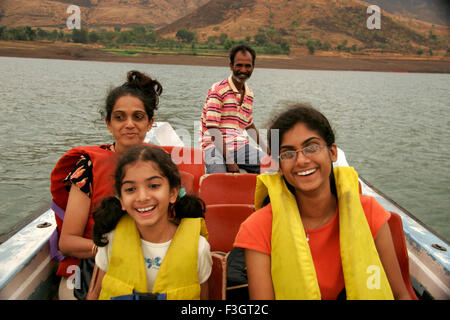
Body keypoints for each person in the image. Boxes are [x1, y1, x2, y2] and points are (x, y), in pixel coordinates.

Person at [233, 103, 412, 300]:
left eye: (311, 147)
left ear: (332, 152)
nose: (301, 160)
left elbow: (400, 295)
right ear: (279, 166)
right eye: (288, 153)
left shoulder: (369, 213)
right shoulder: (259, 228)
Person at [50, 70, 162, 300]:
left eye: (138, 117)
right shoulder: (87, 167)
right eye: (120, 117)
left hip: (150, 265)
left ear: (150, 123)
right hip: (94, 266)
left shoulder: (162, 166)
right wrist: (116, 251)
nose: (129, 124)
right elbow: (68, 242)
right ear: (108, 124)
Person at [86, 145, 212, 300]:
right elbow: (96, 293)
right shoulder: (110, 239)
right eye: (131, 189)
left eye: (153, 186)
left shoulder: (199, 248)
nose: (142, 197)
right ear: (122, 201)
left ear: (172, 193)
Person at [200, 44, 269, 174]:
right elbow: (212, 129)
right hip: (214, 146)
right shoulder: (218, 89)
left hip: (240, 146)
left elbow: (249, 125)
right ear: (231, 66)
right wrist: (230, 160)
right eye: (239, 65)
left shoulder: (249, 94)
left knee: (271, 167)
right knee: (219, 176)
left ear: (253, 67)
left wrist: (267, 150)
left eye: (247, 66)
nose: (243, 70)